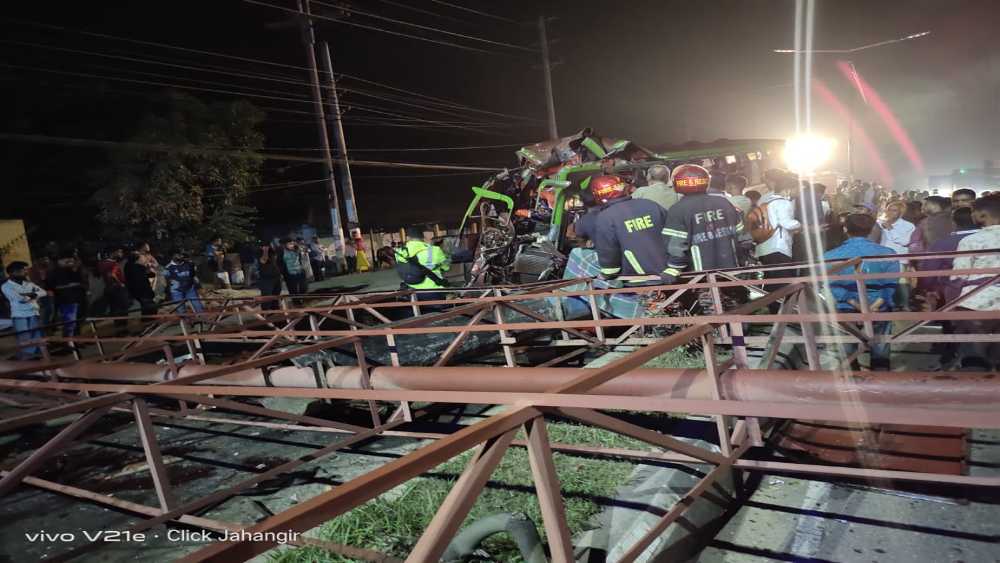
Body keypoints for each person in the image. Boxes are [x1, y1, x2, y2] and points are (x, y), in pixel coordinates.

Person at [823, 214, 900, 370]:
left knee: (848, 351)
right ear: (871, 230)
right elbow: (890, 285)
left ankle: (853, 384)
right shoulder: (888, 253)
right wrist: (873, 307)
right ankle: (879, 385)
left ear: (845, 229)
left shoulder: (829, 256)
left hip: (847, 308)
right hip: (879, 307)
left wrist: (856, 304)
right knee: (880, 350)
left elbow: (834, 286)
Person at [661, 165, 744, 308]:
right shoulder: (724, 202)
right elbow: (742, 234)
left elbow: (677, 246)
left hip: (702, 278)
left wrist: (673, 269)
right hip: (731, 272)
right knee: (736, 310)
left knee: (712, 316)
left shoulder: (678, 210)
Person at [575, 175, 670, 285]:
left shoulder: (605, 218)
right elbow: (673, 235)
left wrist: (605, 275)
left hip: (640, 280)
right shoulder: (650, 204)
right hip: (672, 273)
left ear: (597, 195)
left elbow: (609, 257)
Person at [951, 196, 1000, 370]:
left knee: (975, 355)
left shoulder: (971, 240)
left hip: (976, 304)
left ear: (982, 215)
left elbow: (959, 276)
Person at [747, 169, 801, 311]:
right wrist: (800, 224)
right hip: (778, 247)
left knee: (772, 281)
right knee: (782, 283)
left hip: (764, 246)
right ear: (788, 189)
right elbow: (787, 223)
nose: (798, 192)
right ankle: (781, 312)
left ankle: (773, 309)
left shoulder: (766, 200)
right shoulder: (783, 203)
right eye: (797, 189)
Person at [3, 261, 46, 359]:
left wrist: (32, 295)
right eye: (24, 270)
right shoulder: (6, 286)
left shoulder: (28, 283)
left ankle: (37, 356)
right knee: (24, 338)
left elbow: (43, 292)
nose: (26, 272)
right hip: (19, 315)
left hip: (33, 312)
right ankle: (27, 359)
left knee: (36, 335)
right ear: (14, 272)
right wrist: (33, 295)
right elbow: (19, 298)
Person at [395, 226, 450, 301]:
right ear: (423, 237)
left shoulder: (399, 252)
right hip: (434, 293)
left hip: (410, 293)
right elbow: (446, 267)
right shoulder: (434, 250)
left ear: (408, 238)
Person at [48, 252, 86, 337]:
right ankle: (69, 342)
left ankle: (76, 340)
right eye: (66, 258)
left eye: (71, 258)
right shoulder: (54, 272)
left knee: (78, 322)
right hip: (66, 301)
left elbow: (82, 282)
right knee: (70, 323)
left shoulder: (74, 270)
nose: (70, 260)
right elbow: (53, 287)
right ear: (59, 261)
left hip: (78, 299)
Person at [98, 246, 131, 334]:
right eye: (119, 252)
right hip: (116, 288)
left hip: (110, 288)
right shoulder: (110, 264)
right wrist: (121, 284)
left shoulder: (103, 263)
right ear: (113, 252)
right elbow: (111, 275)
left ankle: (120, 330)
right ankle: (123, 330)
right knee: (122, 309)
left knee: (115, 310)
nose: (121, 254)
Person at [125, 252, 157, 317]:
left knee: (148, 309)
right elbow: (146, 279)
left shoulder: (130, 266)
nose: (144, 259)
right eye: (142, 258)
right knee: (150, 310)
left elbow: (151, 275)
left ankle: (147, 322)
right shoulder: (137, 269)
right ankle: (148, 324)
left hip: (139, 293)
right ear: (137, 260)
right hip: (143, 293)